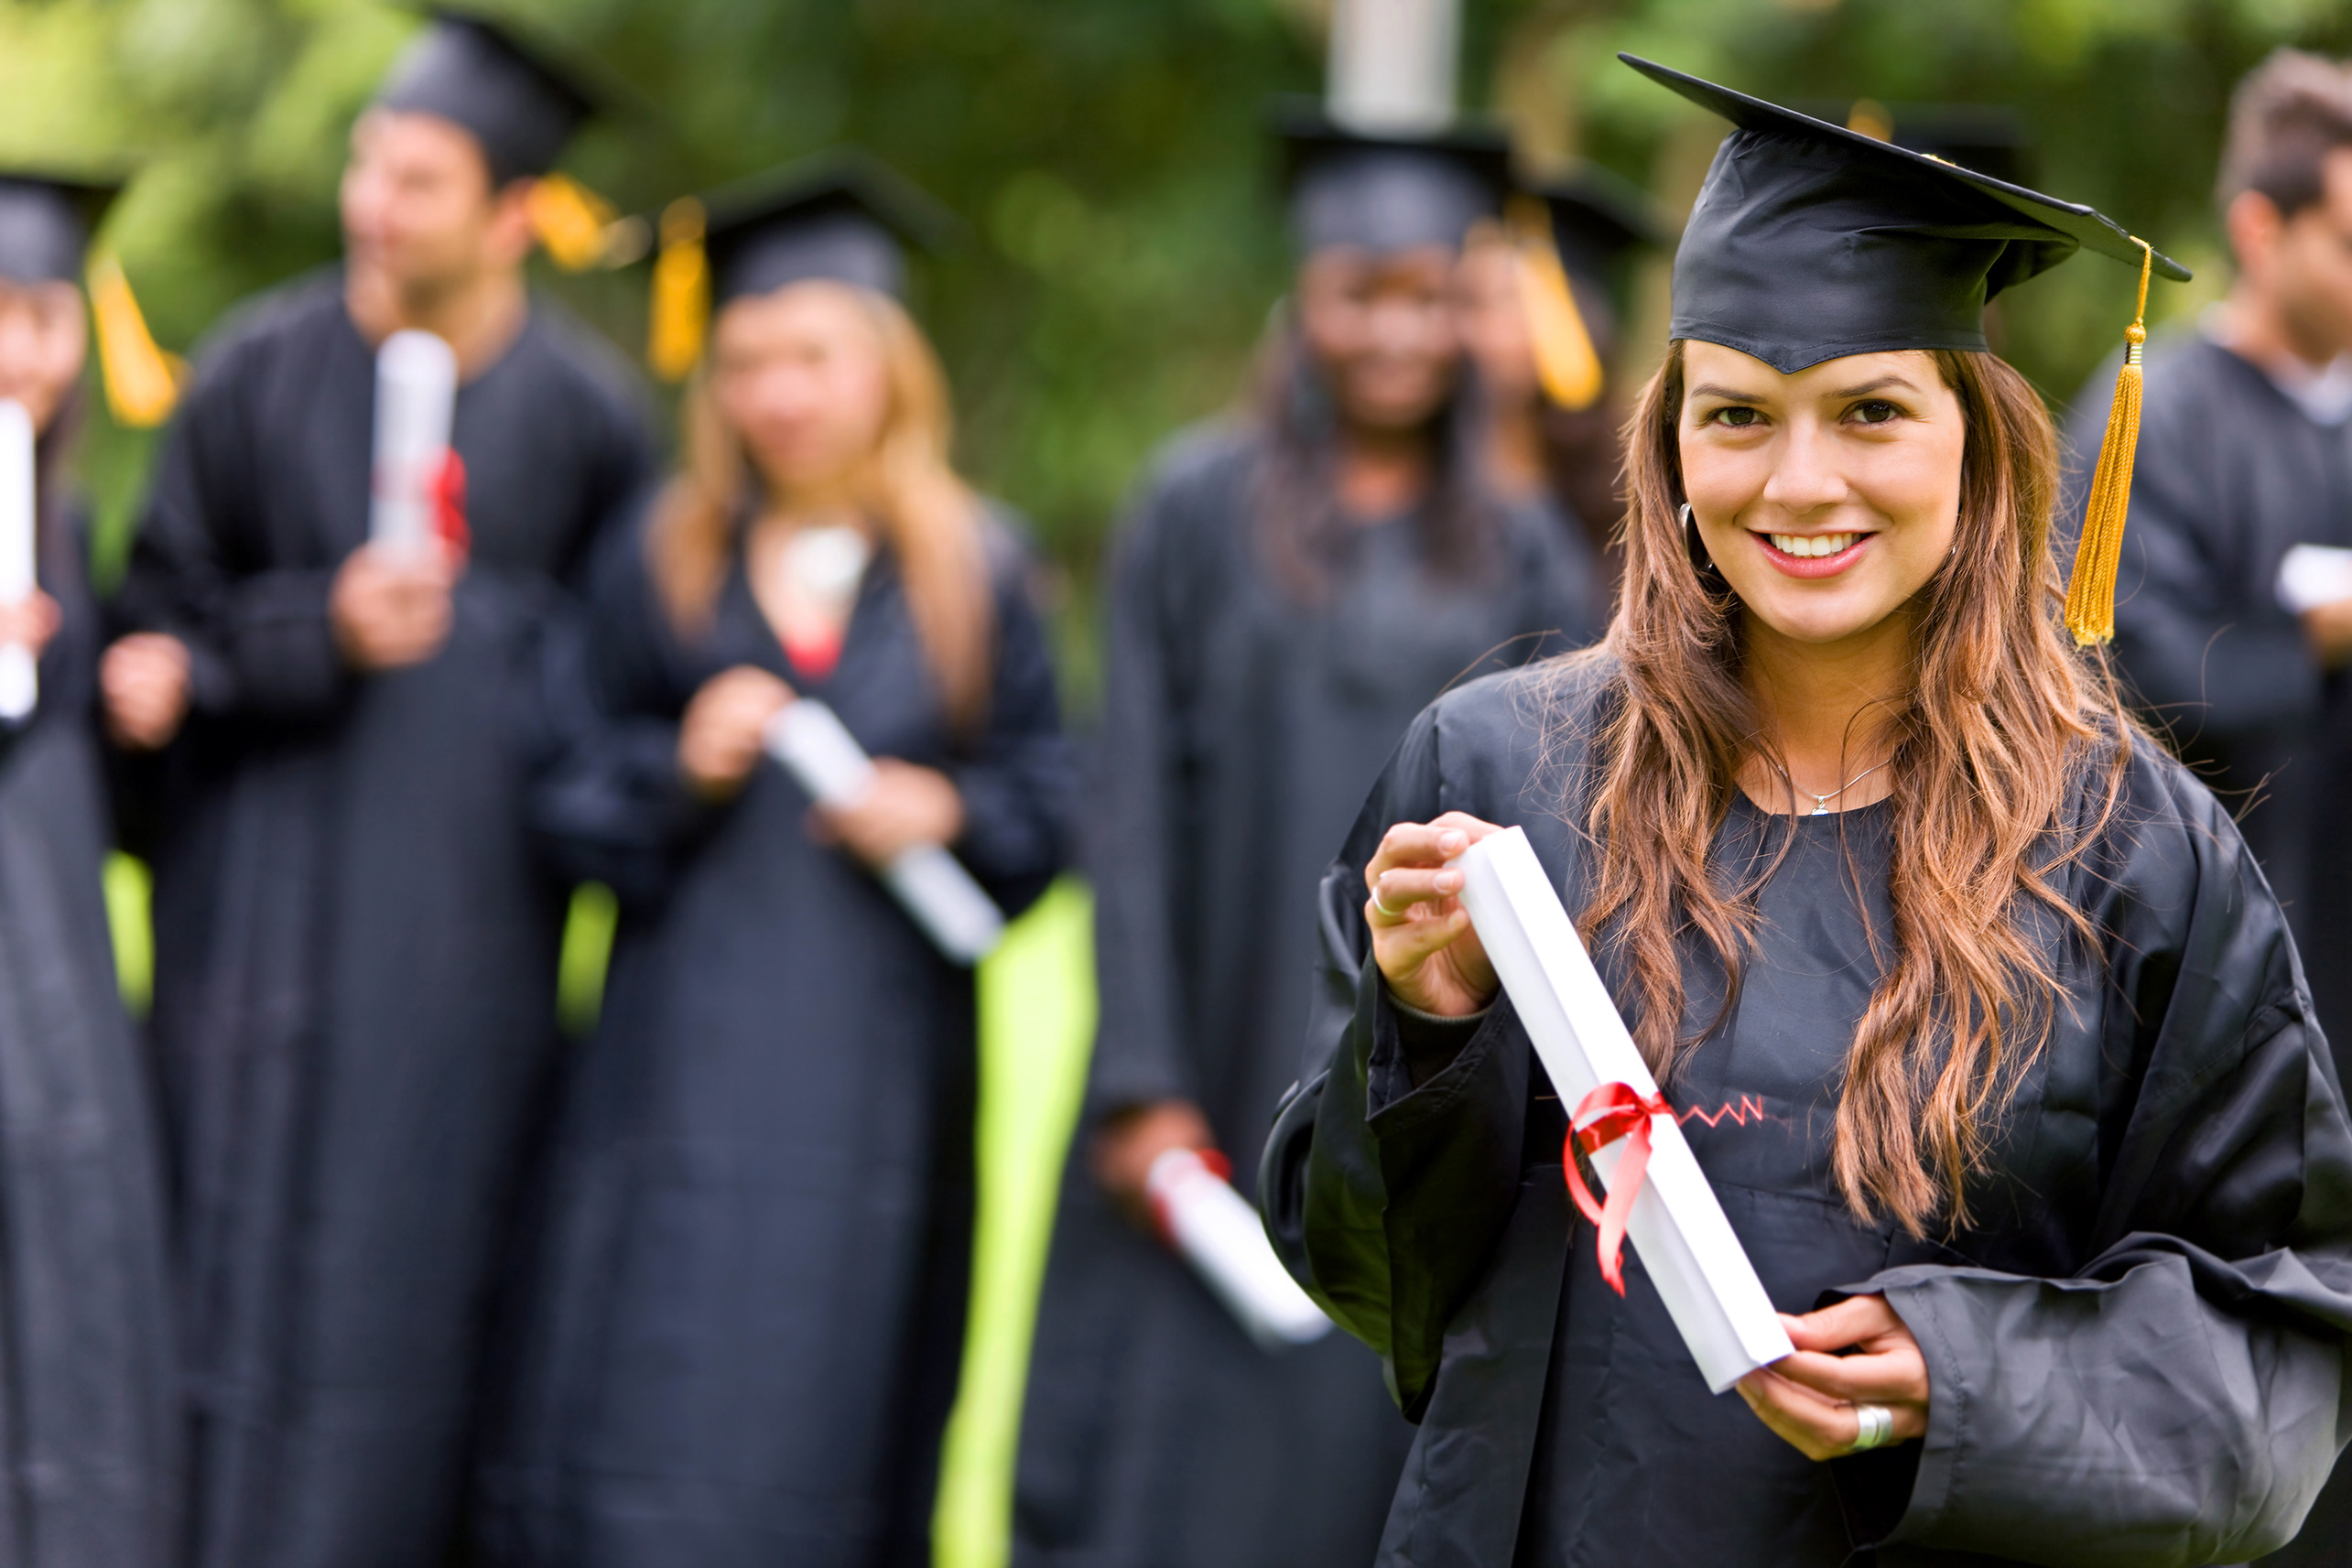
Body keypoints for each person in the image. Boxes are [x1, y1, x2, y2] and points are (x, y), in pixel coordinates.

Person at [1262, 56, 2352, 1565]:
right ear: (1667, 442)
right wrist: (1424, 1034)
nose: (1795, 482)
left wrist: (1972, 1375)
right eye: (1734, 415)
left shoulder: (2130, 852)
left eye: (1867, 410)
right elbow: (1369, 1276)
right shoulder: (1499, 777)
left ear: (1974, 444)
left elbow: (2282, 1333)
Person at [100, 15, 657, 1567]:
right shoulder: (254, 375)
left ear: (508, 215)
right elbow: (150, 639)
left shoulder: (590, 423)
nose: (370, 203)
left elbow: (618, 693)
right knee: (220, 1296)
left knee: (426, 1297)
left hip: (461, 966)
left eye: (416, 179)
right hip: (248, 953)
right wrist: (305, 631)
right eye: (364, 162)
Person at [1013, 106, 1604, 1568]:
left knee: (1363, 1425)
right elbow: (1132, 800)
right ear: (1305, 304)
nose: (1395, 332)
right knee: (1171, 1450)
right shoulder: (1191, 509)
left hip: (1415, 1052)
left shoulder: (1524, 541)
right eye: (1360, 294)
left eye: (1427, 296)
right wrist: (1139, 1079)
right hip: (1208, 1031)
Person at [472, 158, 1073, 1568]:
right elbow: (559, 794)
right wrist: (678, 767)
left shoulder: (975, 572)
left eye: (811, 356)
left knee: (839, 1401)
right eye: (743, 361)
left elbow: (1052, 802)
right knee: (643, 1398)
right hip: (669, 1082)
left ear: (884, 365)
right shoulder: (657, 558)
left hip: (876, 1092)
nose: (777, 393)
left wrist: (951, 812)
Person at [2060, 50, 2352, 1052]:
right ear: (2259, 232)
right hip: (2204, 953)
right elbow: (2137, 677)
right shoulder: (2153, 417)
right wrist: (2311, 641)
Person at [0, 168, 181, 1568]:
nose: (25, 352)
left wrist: (134, 691)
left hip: (55, 991)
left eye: (47, 316)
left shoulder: (62, 512)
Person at [1455, 162, 1659, 602]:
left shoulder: (1640, 491)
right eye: (1462, 301)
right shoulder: (1417, 483)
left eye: (1502, 302)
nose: (1469, 328)